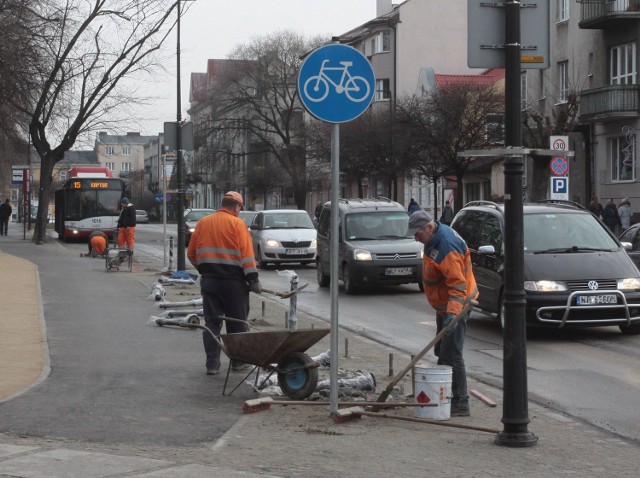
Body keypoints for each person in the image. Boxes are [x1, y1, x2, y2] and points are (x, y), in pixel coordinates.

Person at [407, 210, 479, 417]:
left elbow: (458, 285)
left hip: (458, 306)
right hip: (445, 307)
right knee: (442, 351)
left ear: (429, 227)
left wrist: (452, 316)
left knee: (452, 354)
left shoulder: (446, 246)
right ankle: (447, 395)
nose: (416, 238)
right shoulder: (434, 240)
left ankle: (460, 402)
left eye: (418, 234)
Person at [187, 191, 261, 375]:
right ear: (236, 206)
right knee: (237, 323)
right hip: (234, 284)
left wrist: (204, 270)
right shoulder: (237, 224)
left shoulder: (203, 223)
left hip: (210, 282)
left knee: (212, 323)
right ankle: (238, 362)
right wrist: (253, 280)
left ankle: (212, 364)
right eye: (240, 208)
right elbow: (247, 256)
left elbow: (191, 254)